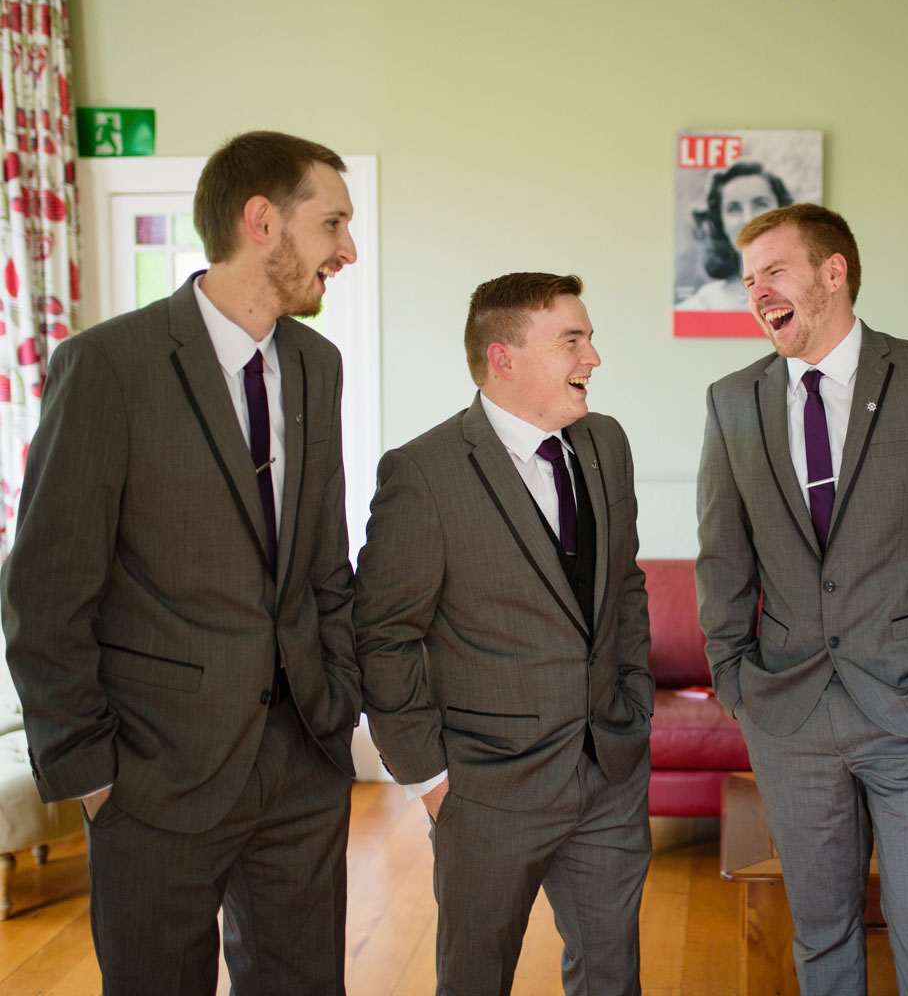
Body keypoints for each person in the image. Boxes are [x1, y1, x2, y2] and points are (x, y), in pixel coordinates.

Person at [1, 130, 362, 994]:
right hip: (151, 778)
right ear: (262, 220)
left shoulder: (318, 366)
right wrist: (89, 777)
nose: (347, 251)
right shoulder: (105, 369)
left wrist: (337, 697)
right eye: (333, 224)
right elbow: (44, 593)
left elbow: (322, 560)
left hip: (303, 764)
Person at [695, 203, 908, 995]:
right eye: (748, 282)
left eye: (774, 272)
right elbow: (723, 557)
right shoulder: (732, 400)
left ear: (832, 273)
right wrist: (736, 682)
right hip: (790, 716)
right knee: (823, 930)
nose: (757, 294)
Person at [353, 273, 654, 996]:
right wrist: (429, 778)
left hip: (607, 774)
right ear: (505, 358)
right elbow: (382, 634)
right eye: (573, 340)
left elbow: (626, 586)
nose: (594, 357)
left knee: (614, 980)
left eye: (589, 337)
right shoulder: (423, 474)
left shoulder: (606, 443)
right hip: (484, 793)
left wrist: (633, 702)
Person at [677, 160, 793, 310]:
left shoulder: (809, 293)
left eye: (761, 204)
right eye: (733, 209)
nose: (748, 218)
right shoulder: (703, 305)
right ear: (721, 224)